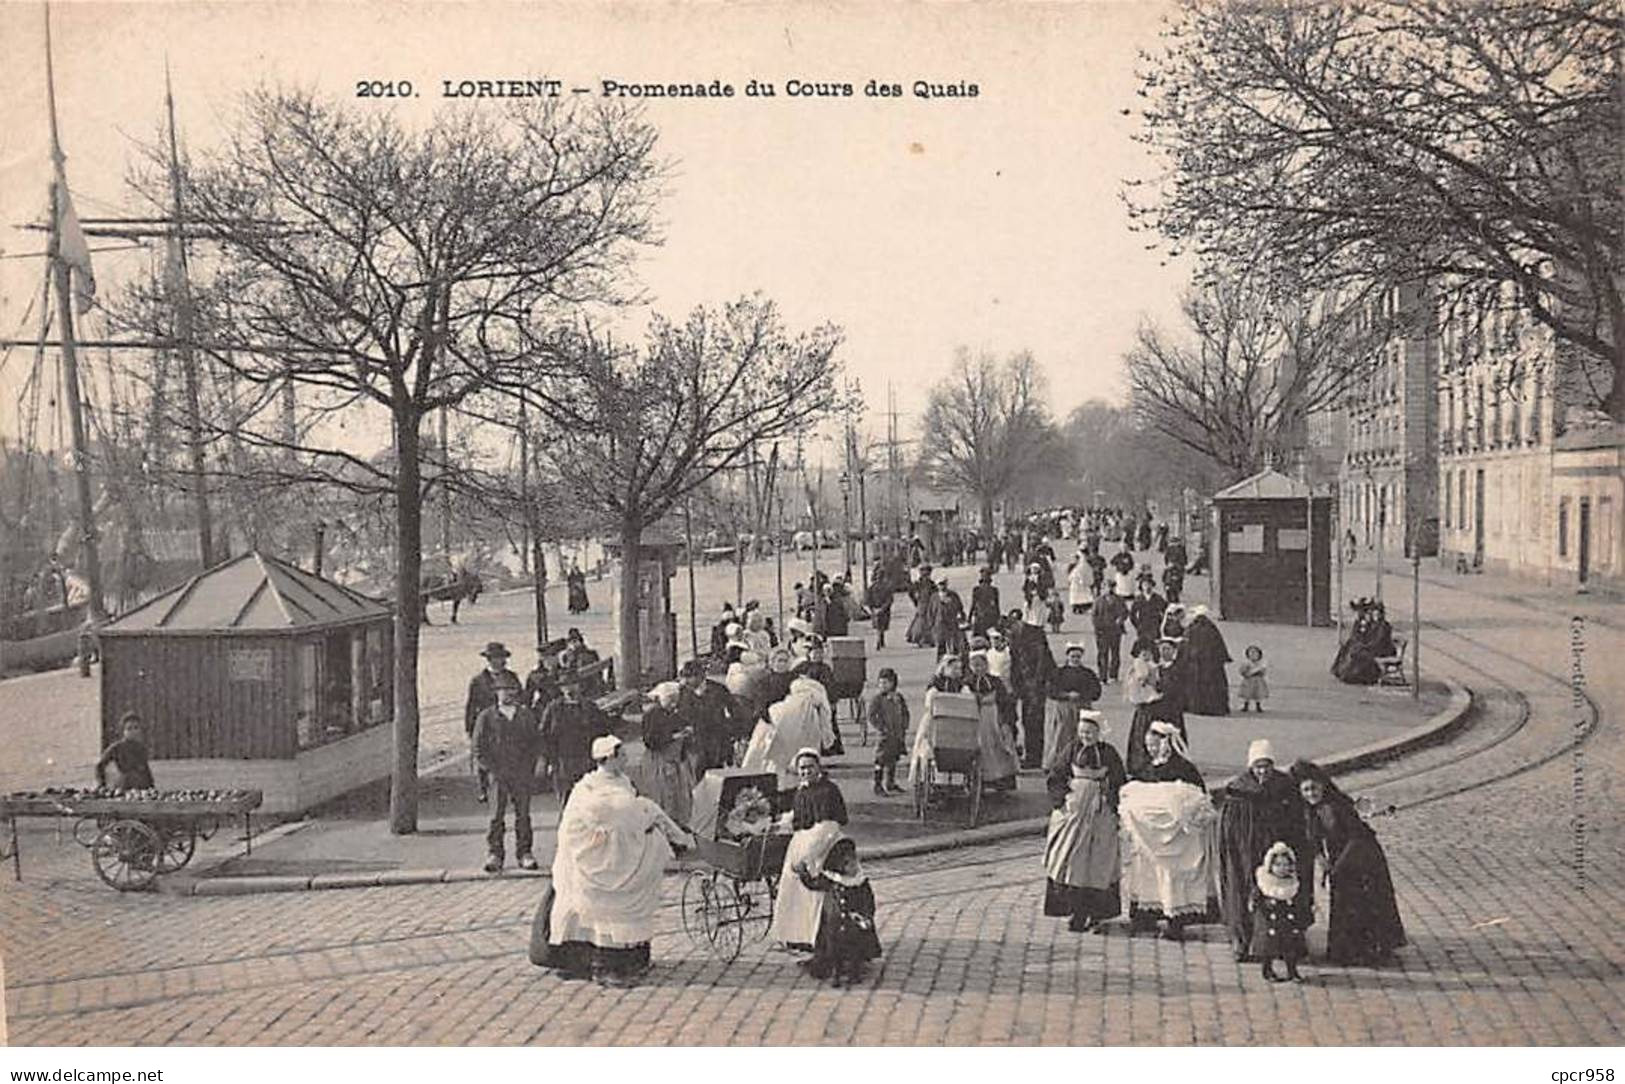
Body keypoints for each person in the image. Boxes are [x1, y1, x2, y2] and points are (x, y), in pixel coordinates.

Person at [536, 736, 693, 986]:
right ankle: (599, 963)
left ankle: (631, 957)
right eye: (621, 756)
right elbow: (576, 827)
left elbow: (632, 819)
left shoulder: (624, 783)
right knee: (592, 910)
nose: (626, 759)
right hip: (593, 856)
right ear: (608, 758)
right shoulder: (587, 790)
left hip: (619, 850)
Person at [1290, 760, 1406, 965]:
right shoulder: (1311, 809)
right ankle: (1347, 949)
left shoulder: (1336, 806)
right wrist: (1321, 858)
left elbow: (1356, 837)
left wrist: (1338, 867)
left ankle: (1368, 949)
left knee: (1362, 901)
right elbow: (1313, 838)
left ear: (1322, 786)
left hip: (1362, 856)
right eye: (1305, 790)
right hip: (1341, 857)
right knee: (1345, 901)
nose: (1310, 794)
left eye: (1313, 788)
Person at [1216, 740, 1312, 962]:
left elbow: (1296, 820)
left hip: (1278, 846)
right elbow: (1230, 827)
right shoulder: (1239, 790)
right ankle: (1244, 940)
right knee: (1246, 891)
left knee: (1283, 890)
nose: (1262, 771)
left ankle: (1288, 941)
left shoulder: (1284, 786)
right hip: (1247, 849)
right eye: (1258, 766)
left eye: (1267, 765)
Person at [1121, 721, 1214, 940]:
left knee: (1173, 876)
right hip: (1149, 837)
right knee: (1148, 874)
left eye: (1155, 746)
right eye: (1149, 747)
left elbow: (1197, 797)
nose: (1152, 750)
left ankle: (1176, 922)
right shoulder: (1147, 767)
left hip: (1176, 839)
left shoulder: (1184, 768)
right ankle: (1147, 917)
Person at [1044, 711, 1126, 932]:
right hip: (1075, 810)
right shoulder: (1071, 749)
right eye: (1082, 732)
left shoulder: (1109, 753)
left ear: (1099, 732)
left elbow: (1119, 780)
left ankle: (1096, 913)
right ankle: (1076, 912)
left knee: (1098, 863)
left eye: (1090, 732)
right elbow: (1056, 776)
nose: (1086, 736)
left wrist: (1113, 803)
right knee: (1072, 860)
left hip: (1101, 812)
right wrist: (1061, 800)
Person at [770, 749, 850, 951]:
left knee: (815, 891)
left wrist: (809, 856)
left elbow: (829, 826)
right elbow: (799, 816)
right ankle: (795, 935)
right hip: (802, 842)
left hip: (824, 845)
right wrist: (780, 823)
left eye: (810, 767)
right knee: (791, 888)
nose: (806, 772)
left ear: (819, 768)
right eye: (802, 768)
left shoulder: (828, 791)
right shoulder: (802, 790)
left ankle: (816, 937)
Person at [472, 677, 542, 872]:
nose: (508, 694)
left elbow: (535, 743)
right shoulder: (487, 717)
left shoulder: (525, 715)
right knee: (496, 816)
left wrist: (530, 767)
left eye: (512, 690)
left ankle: (525, 853)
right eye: (503, 690)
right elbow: (478, 748)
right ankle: (495, 854)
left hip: (521, 774)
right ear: (496, 692)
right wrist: (491, 770)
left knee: (523, 815)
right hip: (497, 775)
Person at [793, 837, 881, 987]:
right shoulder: (832, 879)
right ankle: (835, 970)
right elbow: (813, 884)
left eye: (855, 863)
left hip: (855, 920)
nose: (854, 867)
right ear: (841, 866)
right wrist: (803, 874)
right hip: (833, 921)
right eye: (849, 865)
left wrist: (866, 916)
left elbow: (868, 900)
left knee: (855, 946)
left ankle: (855, 970)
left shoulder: (861, 881)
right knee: (833, 946)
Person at [741, 676, 836, 789]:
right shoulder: (816, 709)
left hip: (776, 755)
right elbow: (825, 733)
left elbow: (757, 743)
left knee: (775, 770)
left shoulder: (776, 709)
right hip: (799, 761)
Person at [539, 674, 614, 810]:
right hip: (562, 762)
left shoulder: (590, 707)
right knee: (567, 803)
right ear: (561, 689)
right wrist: (547, 760)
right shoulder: (553, 709)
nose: (570, 689)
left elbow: (603, 732)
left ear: (580, 686)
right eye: (565, 686)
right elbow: (543, 736)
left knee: (590, 801)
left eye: (573, 684)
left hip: (586, 760)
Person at [632, 682, 695, 827]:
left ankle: (677, 826)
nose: (673, 703)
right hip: (658, 760)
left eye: (675, 699)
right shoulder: (652, 715)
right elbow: (650, 740)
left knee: (678, 797)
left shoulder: (675, 714)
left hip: (675, 760)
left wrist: (687, 732)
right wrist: (673, 737)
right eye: (670, 699)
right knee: (662, 797)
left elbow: (684, 727)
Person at [465, 642, 519, 803]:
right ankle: (484, 788)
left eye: (502, 658)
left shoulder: (511, 677)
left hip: (506, 720)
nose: (500, 661)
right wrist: (470, 728)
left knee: (507, 755)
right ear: (488, 660)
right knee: (484, 755)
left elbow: (520, 696)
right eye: (495, 658)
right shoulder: (478, 680)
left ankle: (508, 788)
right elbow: (471, 705)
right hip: (486, 723)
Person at [1250, 843, 1310, 983]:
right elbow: (1256, 900)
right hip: (1270, 920)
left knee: (1290, 946)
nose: (1282, 869)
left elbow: (1300, 900)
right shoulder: (1265, 884)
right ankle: (1267, 969)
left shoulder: (1293, 883)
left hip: (1287, 921)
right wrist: (1260, 907)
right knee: (1269, 947)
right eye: (1278, 865)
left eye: (1285, 865)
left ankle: (1292, 970)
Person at [965, 650, 1021, 791]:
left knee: (998, 745)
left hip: (994, 716)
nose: (979, 669)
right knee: (979, 747)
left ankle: (1000, 779)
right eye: (975, 666)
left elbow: (1005, 702)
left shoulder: (995, 681)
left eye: (981, 665)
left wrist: (1006, 721)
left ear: (986, 665)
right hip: (976, 717)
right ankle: (981, 779)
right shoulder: (967, 682)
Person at [1044, 644, 1102, 773]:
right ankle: (1057, 763)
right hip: (1064, 708)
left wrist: (1082, 695)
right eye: (1072, 656)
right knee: (1061, 735)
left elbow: (1096, 692)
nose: (1075, 659)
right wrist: (1066, 695)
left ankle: (1083, 760)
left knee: (1083, 734)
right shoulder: (1059, 672)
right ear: (1067, 656)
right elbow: (1050, 690)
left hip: (1083, 707)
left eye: (1078, 656)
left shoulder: (1088, 673)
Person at [677, 658, 744, 772]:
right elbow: (681, 714)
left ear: (701, 676)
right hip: (695, 742)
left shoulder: (718, 690)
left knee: (715, 772)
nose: (686, 681)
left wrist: (732, 731)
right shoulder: (684, 692)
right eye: (684, 677)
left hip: (716, 739)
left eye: (689, 677)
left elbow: (735, 710)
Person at [1008, 611, 1056, 769]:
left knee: (1034, 721)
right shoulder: (1015, 637)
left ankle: (1034, 758)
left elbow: (1044, 660)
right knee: (1026, 720)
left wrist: (1038, 682)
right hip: (1024, 685)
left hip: (1036, 685)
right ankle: (1031, 756)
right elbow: (1015, 663)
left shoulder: (1036, 634)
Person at [1178, 605, 1232, 715]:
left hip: (1195, 664)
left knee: (1195, 685)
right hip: (1211, 665)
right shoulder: (1212, 629)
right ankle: (1214, 707)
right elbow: (1219, 648)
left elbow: (1185, 647)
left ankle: (1197, 706)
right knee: (1213, 685)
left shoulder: (1191, 629)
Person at [867, 668, 910, 796]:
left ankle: (890, 782)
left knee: (893, 758)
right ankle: (877, 784)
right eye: (880, 683)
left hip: (897, 734)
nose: (883, 686)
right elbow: (871, 715)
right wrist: (881, 727)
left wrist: (904, 725)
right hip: (884, 736)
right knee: (880, 760)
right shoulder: (878, 699)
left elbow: (905, 712)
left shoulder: (898, 697)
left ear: (893, 683)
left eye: (886, 683)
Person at [96, 712, 155, 791]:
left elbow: (146, 770)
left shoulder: (141, 748)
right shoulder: (117, 748)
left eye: (136, 728)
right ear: (123, 731)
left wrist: (151, 786)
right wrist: (102, 784)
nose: (133, 731)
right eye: (129, 729)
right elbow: (100, 766)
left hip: (142, 787)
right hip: (124, 786)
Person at [1091, 586, 1126, 684]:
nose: (1109, 589)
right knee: (1102, 653)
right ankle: (1103, 676)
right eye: (1107, 587)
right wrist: (1099, 627)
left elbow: (1125, 612)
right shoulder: (1098, 601)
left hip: (1115, 631)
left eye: (1112, 587)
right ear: (1103, 588)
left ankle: (1113, 675)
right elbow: (1094, 616)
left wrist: (1121, 618)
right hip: (1102, 632)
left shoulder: (1119, 600)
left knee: (1115, 653)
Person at [932, 578, 967, 659]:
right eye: (940, 584)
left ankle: (954, 660)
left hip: (952, 623)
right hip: (939, 624)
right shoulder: (934, 597)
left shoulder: (953, 595)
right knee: (941, 644)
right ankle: (941, 661)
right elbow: (931, 611)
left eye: (943, 584)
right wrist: (931, 624)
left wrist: (961, 618)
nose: (942, 586)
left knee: (954, 643)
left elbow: (959, 607)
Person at [1129, 578, 1168, 646]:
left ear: (1152, 586)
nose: (1147, 587)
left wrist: (1160, 622)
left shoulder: (1158, 598)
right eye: (1145, 585)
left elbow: (1165, 611)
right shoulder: (1138, 599)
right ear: (1141, 587)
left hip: (1154, 627)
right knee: (1143, 645)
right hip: (1143, 627)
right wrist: (1138, 625)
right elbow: (1132, 614)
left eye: (1149, 584)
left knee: (1155, 646)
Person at [524, 648, 562, 714]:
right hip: (543, 709)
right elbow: (528, 697)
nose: (553, 659)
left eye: (554, 656)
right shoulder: (535, 675)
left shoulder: (563, 672)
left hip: (563, 708)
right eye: (548, 657)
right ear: (542, 659)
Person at [866, 563, 894, 649]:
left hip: (882, 609)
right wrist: (873, 609)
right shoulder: (873, 588)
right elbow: (868, 599)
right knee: (880, 626)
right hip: (880, 609)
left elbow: (890, 599)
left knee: (880, 626)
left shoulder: (885, 587)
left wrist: (876, 609)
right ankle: (879, 639)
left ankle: (880, 639)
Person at [968, 567, 1001, 638]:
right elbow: (997, 607)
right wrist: (998, 618)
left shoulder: (976, 590)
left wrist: (969, 618)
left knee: (979, 639)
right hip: (991, 618)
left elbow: (973, 605)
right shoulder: (994, 590)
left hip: (980, 618)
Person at [1237, 645, 1269, 713]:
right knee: (1247, 693)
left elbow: (1263, 672)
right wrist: (1245, 673)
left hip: (1258, 681)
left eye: (1255, 653)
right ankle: (1246, 705)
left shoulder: (1260, 664)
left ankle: (1258, 706)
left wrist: (1260, 672)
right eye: (1251, 653)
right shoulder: (1246, 663)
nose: (1253, 655)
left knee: (1258, 693)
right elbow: (1242, 671)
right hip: (1248, 681)